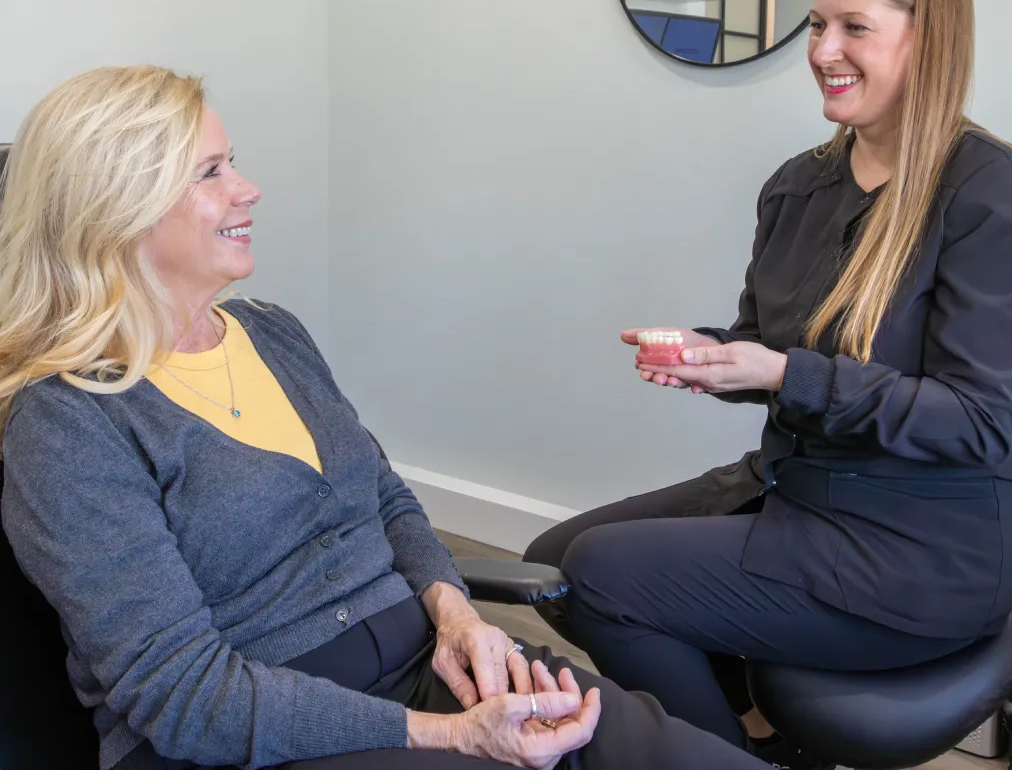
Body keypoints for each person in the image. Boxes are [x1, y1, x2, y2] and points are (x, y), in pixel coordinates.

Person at [0, 66, 770, 770]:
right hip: (255, 734)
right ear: (119, 209)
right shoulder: (68, 421)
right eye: (212, 172)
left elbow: (388, 499)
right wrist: (454, 735)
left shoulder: (272, 332)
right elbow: (183, 695)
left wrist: (456, 614)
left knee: (663, 751)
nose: (250, 188)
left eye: (234, 159)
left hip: (422, 661)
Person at [525, 0, 1012, 770]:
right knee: (551, 563)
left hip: (920, 545)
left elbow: (985, 424)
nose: (822, 48)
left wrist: (787, 373)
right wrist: (714, 358)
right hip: (798, 488)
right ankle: (753, 737)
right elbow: (772, 349)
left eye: (853, 27)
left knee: (604, 573)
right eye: (816, 24)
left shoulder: (989, 194)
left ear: (927, 37)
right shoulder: (797, 187)